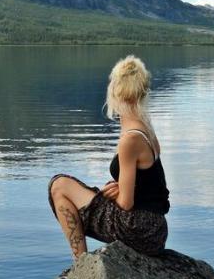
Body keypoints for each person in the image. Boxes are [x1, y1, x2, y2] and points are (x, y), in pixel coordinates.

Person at [47, 55, 171, 259]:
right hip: (155, 228)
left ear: (115, 91)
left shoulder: (130, 140)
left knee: (59, 186)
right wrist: (120, 186)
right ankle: (83, 264)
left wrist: (112, 194)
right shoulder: (146, 127)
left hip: (139, 229)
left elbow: (126, 204)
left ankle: (81, 263)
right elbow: (149, 183)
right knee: (76, 189)